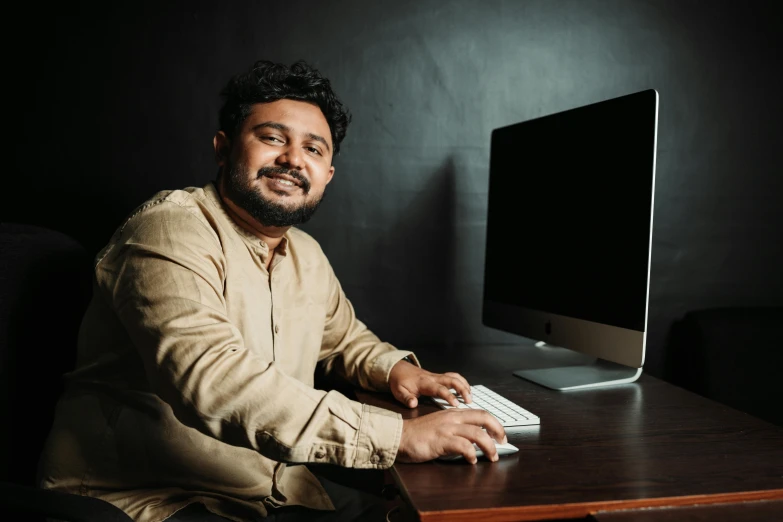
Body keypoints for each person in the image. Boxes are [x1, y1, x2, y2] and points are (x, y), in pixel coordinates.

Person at [38, 60, 506, 522]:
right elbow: (213, 380)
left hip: (275, 491)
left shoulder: (304, 252)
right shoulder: (168, 230)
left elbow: (342, 338)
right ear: (223, 149)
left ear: (327, 175)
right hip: (152, 499)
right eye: (272, 138)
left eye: (314, 150)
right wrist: (397, 437)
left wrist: (394, 369)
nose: (293, 160)